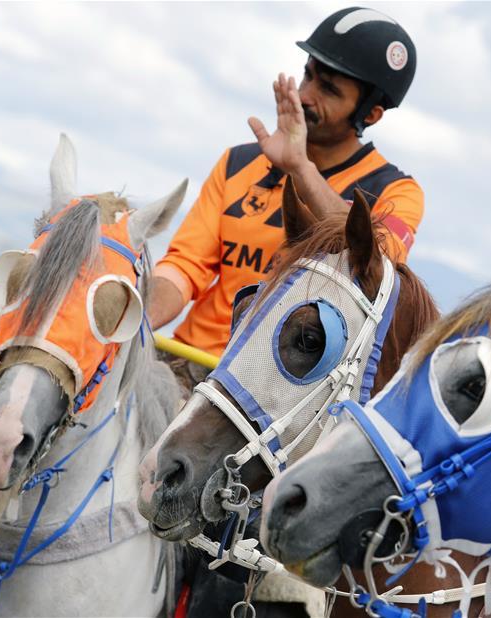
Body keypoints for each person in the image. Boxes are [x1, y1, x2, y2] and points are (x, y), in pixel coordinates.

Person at [149, 7, 423, 390]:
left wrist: (300, 167)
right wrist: (134, 319)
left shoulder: (396, 193)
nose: (305, 95)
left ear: (371, 113)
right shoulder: (237, 162)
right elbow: (184, 266)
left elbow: (376, 265)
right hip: (189, 366)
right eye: (308, 74)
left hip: (277, 395)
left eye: (328, 89)